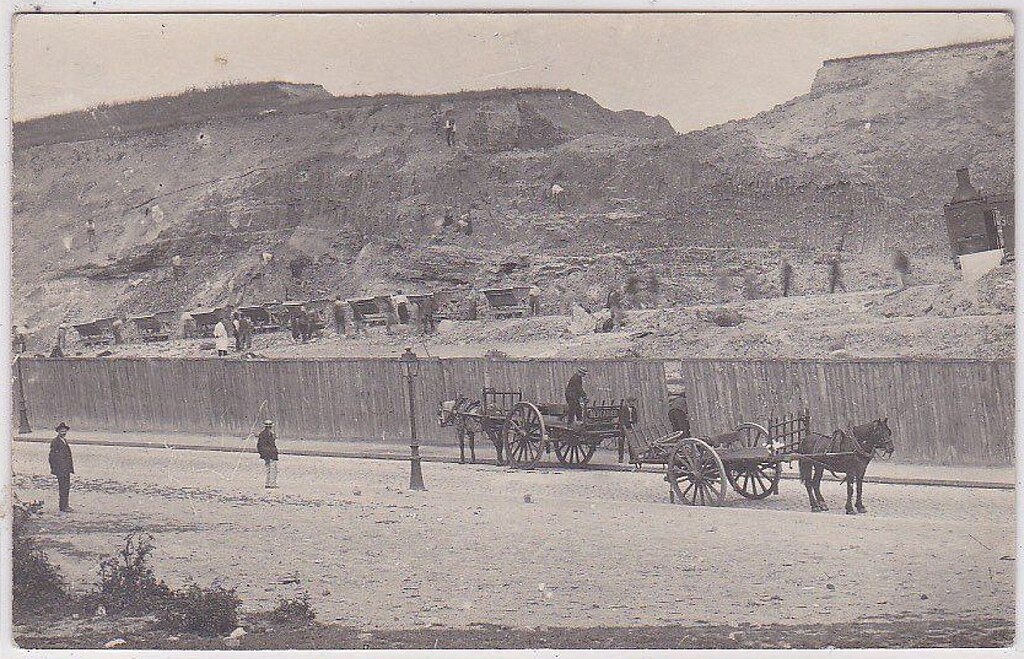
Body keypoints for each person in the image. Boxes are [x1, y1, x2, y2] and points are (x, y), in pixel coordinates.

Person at [48, 422, 74, 513]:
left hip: (66, 469)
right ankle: (63, 507)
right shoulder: (55, 442)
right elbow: (52, 457)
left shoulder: (64, 440)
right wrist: (54, 469)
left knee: (66, 487)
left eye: (65, 431)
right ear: (58, 431)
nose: (64, 432)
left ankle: (65, 505)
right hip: (61, 470)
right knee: (63, 488)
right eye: (62, 431)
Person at [257, 420, 279, 488]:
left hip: (265, 454)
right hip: (271, 454)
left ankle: (267, 483)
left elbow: (259, 445)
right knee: (273, 469)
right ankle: (272, 484)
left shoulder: (262, 434)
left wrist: (262, 453)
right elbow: (271, 444)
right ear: (271, 426)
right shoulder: (270, 434)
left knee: (268, 469)